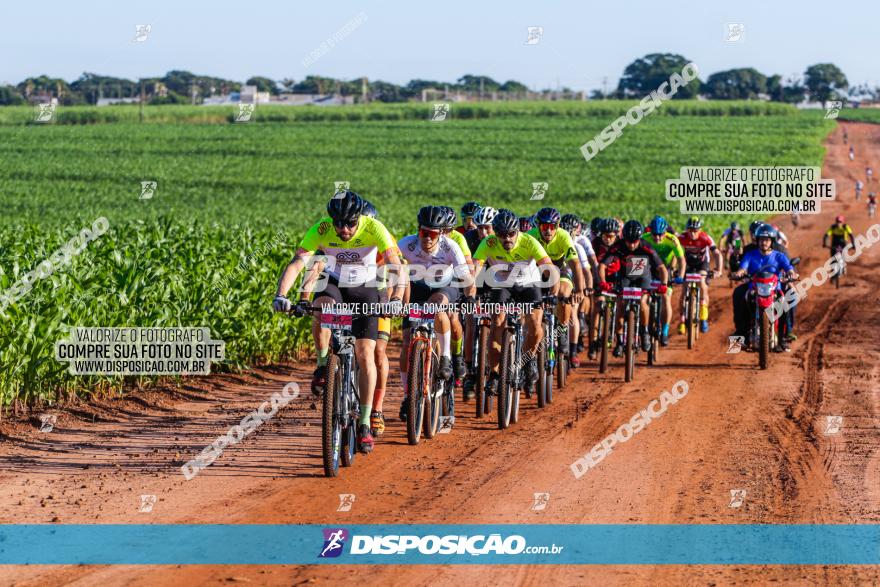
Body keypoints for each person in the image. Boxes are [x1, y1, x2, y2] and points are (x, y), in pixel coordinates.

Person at [273, 191, 404, 454]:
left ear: (359, 219)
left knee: (366, 353)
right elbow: (300, 262)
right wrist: (282, 295)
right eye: (339, 224)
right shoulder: (321, 228)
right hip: (335, 285)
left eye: (350, 224)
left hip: (366, 287)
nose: (344, 230)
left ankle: (365, 422)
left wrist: (397, 297)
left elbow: (394, 265)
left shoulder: (374, 227)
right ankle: (324, 363)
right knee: (322, 306)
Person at [397, 206, 475, 421]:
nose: (428, 238)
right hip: (416, 288)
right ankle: (407, 396)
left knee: (438, 306)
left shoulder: (451, 247)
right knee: (405, 343)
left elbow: (466, 278)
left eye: (433, 234)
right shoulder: (406, 244)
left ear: (441, 233)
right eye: (424, 233)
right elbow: (388, 267)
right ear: (418, 230)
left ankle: (447, 358)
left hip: (444, 287)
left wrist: (470, 297)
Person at [472, 209, 557, 397]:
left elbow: (548, 268)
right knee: (497, 324)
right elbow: (474, 270)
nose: (507, 238)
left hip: (529, 284)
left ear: (517, 232)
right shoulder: (489, 243)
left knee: (535, 323)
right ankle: (494, 374)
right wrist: (470, 293)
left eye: (511, 234)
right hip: (502, 285)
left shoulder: (529, 242)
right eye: (502, 234)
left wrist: (553, 291)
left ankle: (530, 360)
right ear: (495, 233)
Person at [527, 208, 587, 368]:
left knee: (563, 293)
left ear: (558, 226)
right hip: (538, 273)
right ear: (538, 226)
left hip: (561, 270)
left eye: (552, 226)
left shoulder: (563, 236)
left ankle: (562, 328)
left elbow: (575, 264)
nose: (548, 230)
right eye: (544, 226)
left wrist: (580, 290)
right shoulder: (530, 236)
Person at [598, 220, 668, 355]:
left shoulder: (646, 246)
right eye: (628, 241)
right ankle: (619, 341)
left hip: (643, 277)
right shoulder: (617, 246)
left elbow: (661, 268)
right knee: (621, 305)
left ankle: (645, 331)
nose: (631, 244)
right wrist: (603, 282)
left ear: (639, 238)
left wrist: (663, 284)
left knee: (643, 303)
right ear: (623, 238)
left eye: (635, 241)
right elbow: (602, 266)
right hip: (625, 277)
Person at [730, 224, 798, 351]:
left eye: (766, 240)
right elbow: (743, 267)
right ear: (757, 240)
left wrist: (792, 274)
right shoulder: (750, 254)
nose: (764, 243)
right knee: (739, 295)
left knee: (788, 299)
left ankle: (784, 336)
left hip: (774, 289)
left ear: (772, 241)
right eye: (761, 240)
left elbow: (789, 268)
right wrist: (739, 273)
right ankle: (741, 335)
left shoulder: (779, 255)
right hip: (754, 289)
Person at [461, 206, 497, 398]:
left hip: (496, 283)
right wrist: (468, 295)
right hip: (474, 281)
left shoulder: (500, 239)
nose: (483, 232)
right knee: (470, 322)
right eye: (480, 227)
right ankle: (468, 370)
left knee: (499, 320)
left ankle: (497, 367)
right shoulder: (469, 238)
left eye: (488, 228)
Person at [439, 206, 474, 382]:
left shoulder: (459, 238)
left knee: (453, 317)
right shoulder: (429, 236)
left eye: (448, 230)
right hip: (431, 279)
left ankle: (458, 355)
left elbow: (468, 266)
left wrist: (470, 293)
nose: (444, 233)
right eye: (441, 229)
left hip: (454, 279)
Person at [643, 215, 685, 345]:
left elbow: (681, 260)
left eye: (660, 235)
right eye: (655, 234)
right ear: (651, 232)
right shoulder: (644, 239)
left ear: (665, 232)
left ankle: (665, 330)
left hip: (666, 271)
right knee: (642, 297)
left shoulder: (672, 240)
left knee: (666, 297)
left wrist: (681, 276)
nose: (657, 238)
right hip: (650, 270)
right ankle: (642, 328)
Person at [677, 217, 723, 334]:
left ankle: (703, 316)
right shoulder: (681, 238)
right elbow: (674, 251)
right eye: (690, 230)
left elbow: (717, 253)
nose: (692, 233)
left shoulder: (705, 237)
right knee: (684, 289)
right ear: (687, 230)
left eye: (695, 230)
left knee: (702, 283)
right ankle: (682, 320)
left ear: (700, 230)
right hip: (688, 264)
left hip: (702, 264)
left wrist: (718, 270)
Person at [588, 218, 619, 359]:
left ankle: (620, 338)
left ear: (616, 235)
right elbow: (589, 264)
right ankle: (593, 343)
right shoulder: (595, 244)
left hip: (616, 278)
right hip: (599, 279)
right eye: (605, 235)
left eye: (611, 236)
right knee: (598, 305)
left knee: (622, 306)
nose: (607, 239)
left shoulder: (621, 245)